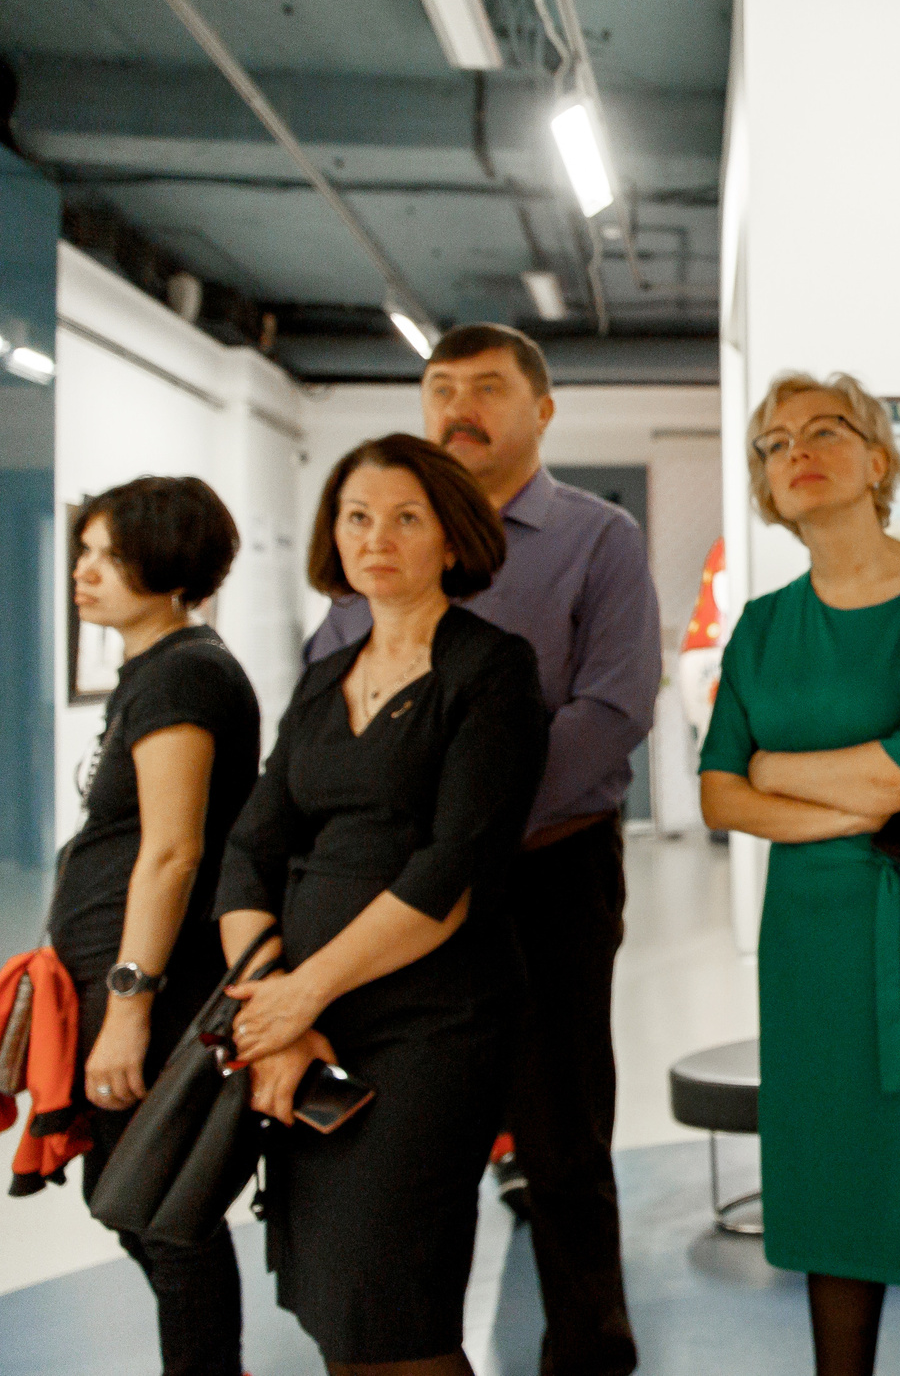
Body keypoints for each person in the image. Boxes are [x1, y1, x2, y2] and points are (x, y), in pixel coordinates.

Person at [304, 324, 657, 1376]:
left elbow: (611, 707)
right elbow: (330, 694)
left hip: (547, 874)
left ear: (540, 411)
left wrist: (465, 824)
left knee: (560, 1139)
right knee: (414, 1131)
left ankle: (590, 1350)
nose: (459, 406)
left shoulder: (599, 538)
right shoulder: (383, 546)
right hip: (401, 896)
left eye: (487, 388)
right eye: (440, 387)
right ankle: (412, 1347)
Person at [217, 434, 549, 1374]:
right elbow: (251, 848)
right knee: (336, 1304)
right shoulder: (324, 679)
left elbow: (448, 874)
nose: (378, 536)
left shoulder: (491, 669)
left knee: (395, 1304)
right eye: (357, 516)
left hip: (431, 1028)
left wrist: (301, 994)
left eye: (407, 517)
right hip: (303, 1027)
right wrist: (273, 1012)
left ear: (452, 537)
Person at [697, 373, 900, 1376]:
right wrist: (856, 793)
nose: (797, 452)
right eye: (775, 444)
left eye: (822, 431)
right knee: (833, 1194)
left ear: (877, 459)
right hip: (810, 950)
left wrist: (780, 772)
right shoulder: (763, 625)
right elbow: (718, 796)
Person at [53, 477, 256, 1376]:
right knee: (134, 1196)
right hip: (120, 979)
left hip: (156, 987)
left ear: (167, 563)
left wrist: (129, 1001)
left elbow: (172, 851)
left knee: (162, 1208)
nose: (83, 569)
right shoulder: (156, 670)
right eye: (84, 549)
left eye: (106, 553)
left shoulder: (184, 674)